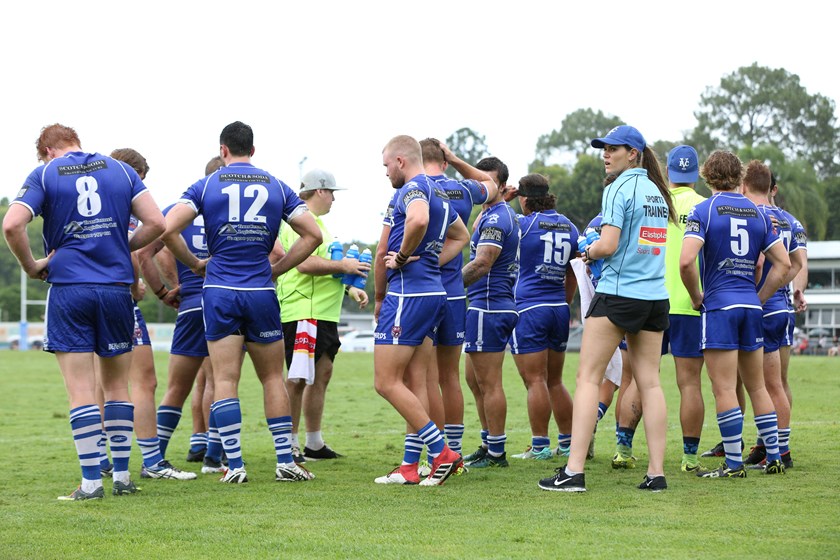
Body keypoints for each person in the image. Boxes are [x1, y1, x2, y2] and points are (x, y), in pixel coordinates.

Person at [3, 124, 165, 499]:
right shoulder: (120, 170)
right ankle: (122, 478)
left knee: (81, 392)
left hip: (70, 289)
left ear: (47, 150)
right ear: (75, 141)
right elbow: (157, 222)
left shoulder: (45, 173)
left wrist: (32, 266)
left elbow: (12, 225)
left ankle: (92, 483)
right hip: (115, 290)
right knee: (118, 389)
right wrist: (121, 244)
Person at [162, 121, 322, 484]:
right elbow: (312, 235)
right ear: (253, 149)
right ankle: (285, 461)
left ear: (223, 150)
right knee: (272, 377)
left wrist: (194, 264)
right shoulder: (276, 185)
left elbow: (167, 228)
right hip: (261, 292)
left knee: (224, 378)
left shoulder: (206, 185)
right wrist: (278, 269)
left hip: (219, 290)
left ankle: (234, 465)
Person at [539, 125, 676, 493]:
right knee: (650, 383)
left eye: (613, 149)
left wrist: (588, 250)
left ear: (633, 153)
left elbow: (609, 244)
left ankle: (574, 471)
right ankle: (656, 473)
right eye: (604, 148)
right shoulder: (657, 191)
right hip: (654, 296)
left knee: (588, 378)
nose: (605, 154)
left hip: (618, 292)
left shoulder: (618, 188)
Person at [680, 153, 790, 478]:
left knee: (725, 388)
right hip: (751, 307)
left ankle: (733, 464)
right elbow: (783, 264)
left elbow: (686, 262)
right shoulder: (759, 213)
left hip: (720, 307)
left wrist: (696, 296)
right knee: (758, 387)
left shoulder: (704, 210)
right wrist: (760, 297)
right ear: (739, 176)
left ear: (707, 175)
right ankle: (774, 458)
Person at [372, 135, 468, 486]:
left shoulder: (411, 190)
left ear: (400, 160)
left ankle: (442, 453)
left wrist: (400, 258)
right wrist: (429, 259)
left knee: (385, 382)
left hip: (407, 295)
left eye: (386, 165)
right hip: (434, 293)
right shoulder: (439, 192)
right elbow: (462, 236)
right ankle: (409, 466)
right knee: (415, 381)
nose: (385, 173)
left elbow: (417, 221)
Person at [107, 148, 197, 482]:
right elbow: (134, 251)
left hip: (83, 295)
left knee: (102, 384)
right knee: (144, 382)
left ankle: (102, 460)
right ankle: (152, 462)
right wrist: (137, 288)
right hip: (118, 298)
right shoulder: (126, 203)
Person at [277, 168, 370, 463]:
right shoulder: (297, 221)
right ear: (319, 191)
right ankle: (289, 444)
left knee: (322, 374)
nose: (333, 199)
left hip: (323, 313)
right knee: (297, 379)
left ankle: (314, 444)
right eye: (331, 193)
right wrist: (344, 266)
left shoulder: (320, 225)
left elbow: (329, 268)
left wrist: (350, 289)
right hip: (304, 310)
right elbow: (303, 264)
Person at [423, 139, 497, 460]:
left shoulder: (415, 189)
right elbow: (491, 184)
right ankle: (454, 452)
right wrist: (456, 160)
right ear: (444, 161)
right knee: (450, 376)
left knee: (426, 378)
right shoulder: (464, 189)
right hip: (454, 291)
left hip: (423, 289)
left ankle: (436, 454)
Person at [508, 174, 578, 461]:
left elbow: (490, 223)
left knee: (535, 380)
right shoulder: (569, 226)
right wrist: (565, 300)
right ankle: (569, 444)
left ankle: (539, 447)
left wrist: (501, 200)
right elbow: (573, 271)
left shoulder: (523, 224)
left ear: (524, 199)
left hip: (530, 308)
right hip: (559, 308)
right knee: (555, 381)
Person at [740, 166, 804, 471]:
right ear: (770, 187)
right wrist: (780, 288)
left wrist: (760, 295)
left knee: (766, 386)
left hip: (764, 308)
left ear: (744, 185)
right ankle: (770, 447)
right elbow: (797, 263)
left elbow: (759, 262)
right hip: (782, 308)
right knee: (776, 383)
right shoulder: (788, 219)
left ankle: (780, 452)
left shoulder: (755, 215)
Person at [461, 156, 520, 469]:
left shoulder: (497, 218)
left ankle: (497, 452)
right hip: (485, 305)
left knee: (489, 383)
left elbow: (482, 263)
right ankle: (488, 444)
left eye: (489, 182)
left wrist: (447, 286)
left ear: (501, 185)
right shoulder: (491, 213)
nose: (482, 186)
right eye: (478, 180)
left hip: (490, 305)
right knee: (474, 380)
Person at [660, 145, 708, 473]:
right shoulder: (704, 207)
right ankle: (689, 457)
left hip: (651, 301)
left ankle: (623, 448)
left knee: (639, 379)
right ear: (696, 174)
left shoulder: (655, 204)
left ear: (668, 172)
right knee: (689, 383)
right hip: (691, 303)